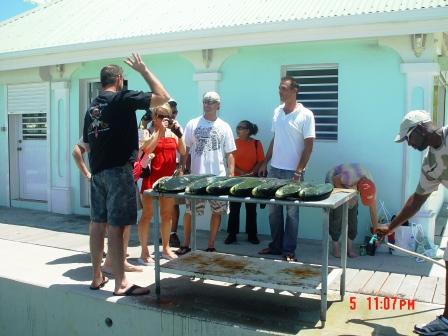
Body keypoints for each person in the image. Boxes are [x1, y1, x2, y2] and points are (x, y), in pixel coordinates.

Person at [83, 53, 169, 296]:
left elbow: (87, 143)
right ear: (119, 79)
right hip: (119, 170)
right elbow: (163, 97)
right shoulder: (121, 98)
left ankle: (96, 277)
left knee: (97, 224)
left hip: (98, 172)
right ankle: (120, 283)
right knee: (117, 226)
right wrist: (143, 70)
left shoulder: (92, 108)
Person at [376, 110, 448, 335]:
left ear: (419, 129)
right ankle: (446, 322)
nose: (408, 145)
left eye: (408, 139)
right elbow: (417, 200)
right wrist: (391, 226)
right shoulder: (430, 165)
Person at [258, 76, 315, 262]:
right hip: (275, 169)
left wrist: (299, 171)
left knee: (292, 212)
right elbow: (276, 139)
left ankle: (289, 250)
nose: (280, 92)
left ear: (294, 90)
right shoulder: (277, 111)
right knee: (274, 211)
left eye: (283, 88)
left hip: (293, 172)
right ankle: (275, 246)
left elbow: (309, 146)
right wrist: (265, 162)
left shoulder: (306, 114)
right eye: (279, 88)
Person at [175, 91, 236, 255]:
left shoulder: (225, 126)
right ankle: (186, 244)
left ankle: (211, 245)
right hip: (196, 177)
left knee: (217, 211)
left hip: (218, 178)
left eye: (211, 101)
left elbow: (230, 153)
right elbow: (185, 150)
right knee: (189, 211)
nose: (207, 104)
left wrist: (231, 175)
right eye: (205, 101)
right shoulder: (193, 124)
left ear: (218, 105)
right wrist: (181, 168)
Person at [72, 139, 142, 274]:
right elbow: (76, 152)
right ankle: (111, 265)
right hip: (114, 180)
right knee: (113, 224)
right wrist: (87, 174)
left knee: (112, 224)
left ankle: (114, 264)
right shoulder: (103, 127)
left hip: (109, 179)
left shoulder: (97, 127)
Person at [138, 103, 186, 263]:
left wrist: (179, 134)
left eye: (168, 117)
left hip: (168, 181)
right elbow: (146, 150)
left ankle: (165, 248)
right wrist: (159, 133)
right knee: (147, 215)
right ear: (154, 118)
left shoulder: (173, 134)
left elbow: (183, 151)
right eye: (160, 116)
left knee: (167, 215)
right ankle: (144, 251)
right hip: (151, 179)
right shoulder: (147, 132)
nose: (164, 120)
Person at [325, 163, 378, 258]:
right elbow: (335, 180)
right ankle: (335, 247)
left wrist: (376, 234)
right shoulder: (350, 177)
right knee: (337, 215)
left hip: (351, 184)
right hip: (334, 179)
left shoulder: (371, 186)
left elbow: (373, 211)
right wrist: (348, 196)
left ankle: (349, 248)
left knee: (353, 217)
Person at [225, 120, 265, 245]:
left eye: (241, 128)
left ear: (248, 130)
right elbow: (230, 161)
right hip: (236, 180)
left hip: (252, 180)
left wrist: (252, 172)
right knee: (234, 208)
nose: (238, 130)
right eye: (237, 127)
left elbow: (261, 161)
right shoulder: (233, 143)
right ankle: (232, 235)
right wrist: (241, 172)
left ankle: (252, 235)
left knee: (251, 208)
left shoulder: (257, 144)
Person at [168, 99, 183, 248]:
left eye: (175, 112)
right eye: (171, 112)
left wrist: (182, 167)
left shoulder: (178, 128)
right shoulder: (153, 127)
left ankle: (172, 234)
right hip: (155, 171)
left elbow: (184, 150)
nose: (174, 115)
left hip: (174, 170)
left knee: (173, 205)